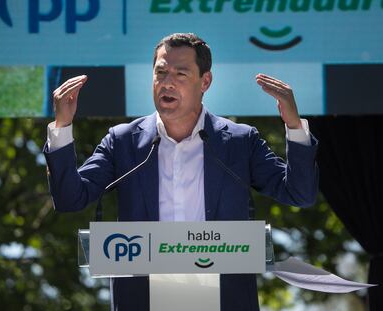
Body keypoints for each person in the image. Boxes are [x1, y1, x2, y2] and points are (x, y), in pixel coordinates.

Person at [44, 33, 318, 311]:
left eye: (180, 73)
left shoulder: (239, 142)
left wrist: (295, 127)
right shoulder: (123, 142)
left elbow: (299, 193)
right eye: (160, 72)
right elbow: (70, 199)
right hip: (143, 298)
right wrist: (62, 127)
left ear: (205, 81)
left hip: (223, 297)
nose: (167, 82)